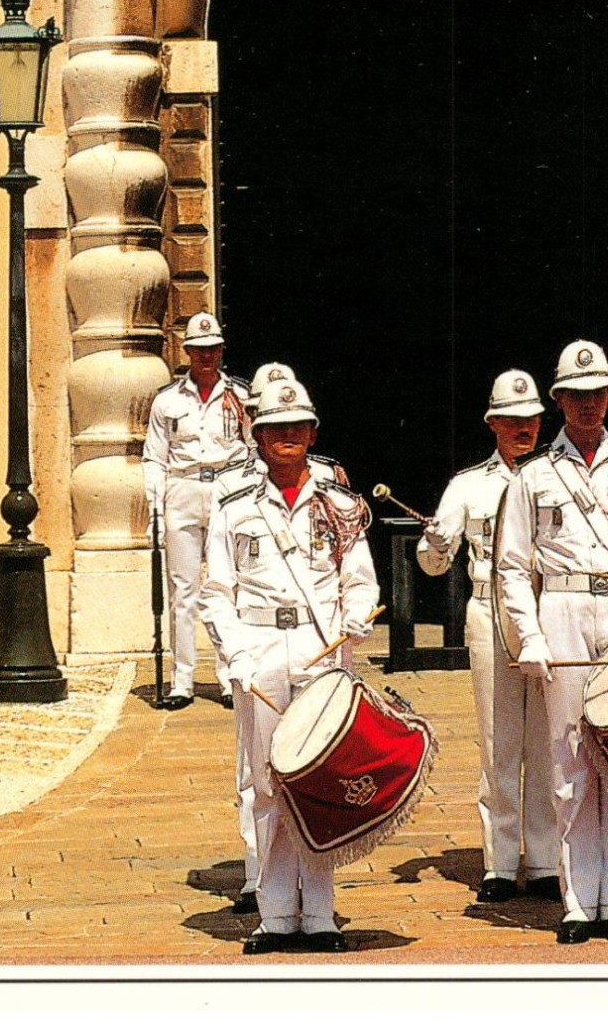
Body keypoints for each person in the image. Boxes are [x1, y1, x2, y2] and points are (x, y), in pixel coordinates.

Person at [495, 339, 608, 944]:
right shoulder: (533, 477)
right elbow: (514, 567)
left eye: (596, 393)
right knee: (569, 758)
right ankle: (578, 901)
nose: (587, 404)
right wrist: (530, 636)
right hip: (564, 609)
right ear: (559, 402)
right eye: (575, 395)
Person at [199, 378, 379, 953]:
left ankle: (321, 912)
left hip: (319, 647)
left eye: (297, 428)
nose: (287, 438)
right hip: (259, 648)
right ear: (257, 437)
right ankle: (276, 914)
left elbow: (359, 578)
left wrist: (355, 620)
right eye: (275, 430)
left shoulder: (342, 506)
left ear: (312, 434)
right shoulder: (234, 508)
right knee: (268, 781)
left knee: (319, 779)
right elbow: (215, 591)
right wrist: (235, 657)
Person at [417, 370, 561, 904]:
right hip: (489, 611)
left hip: (549, 612)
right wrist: (433, 542)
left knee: (546, 742)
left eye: (530, 420)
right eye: (512, 420)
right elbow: (433, 565)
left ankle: (545, 860)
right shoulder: (469, 485)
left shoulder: (557, 477)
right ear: (493, 424)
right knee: (501, 741)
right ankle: (500, 862)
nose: (522, 429)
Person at [141, 312, 251, 710]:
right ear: (186, 351)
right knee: (182, 590)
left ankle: (229, 677)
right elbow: (154, 457)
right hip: (183, 489)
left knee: (227, 586)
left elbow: (255, 448)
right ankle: (182, 681)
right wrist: (155, 503)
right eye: (198, 349)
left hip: (228, 488)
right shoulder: (167, 400)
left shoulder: (241, 396)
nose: (206, 355)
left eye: (212, 348)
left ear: (221, 350)